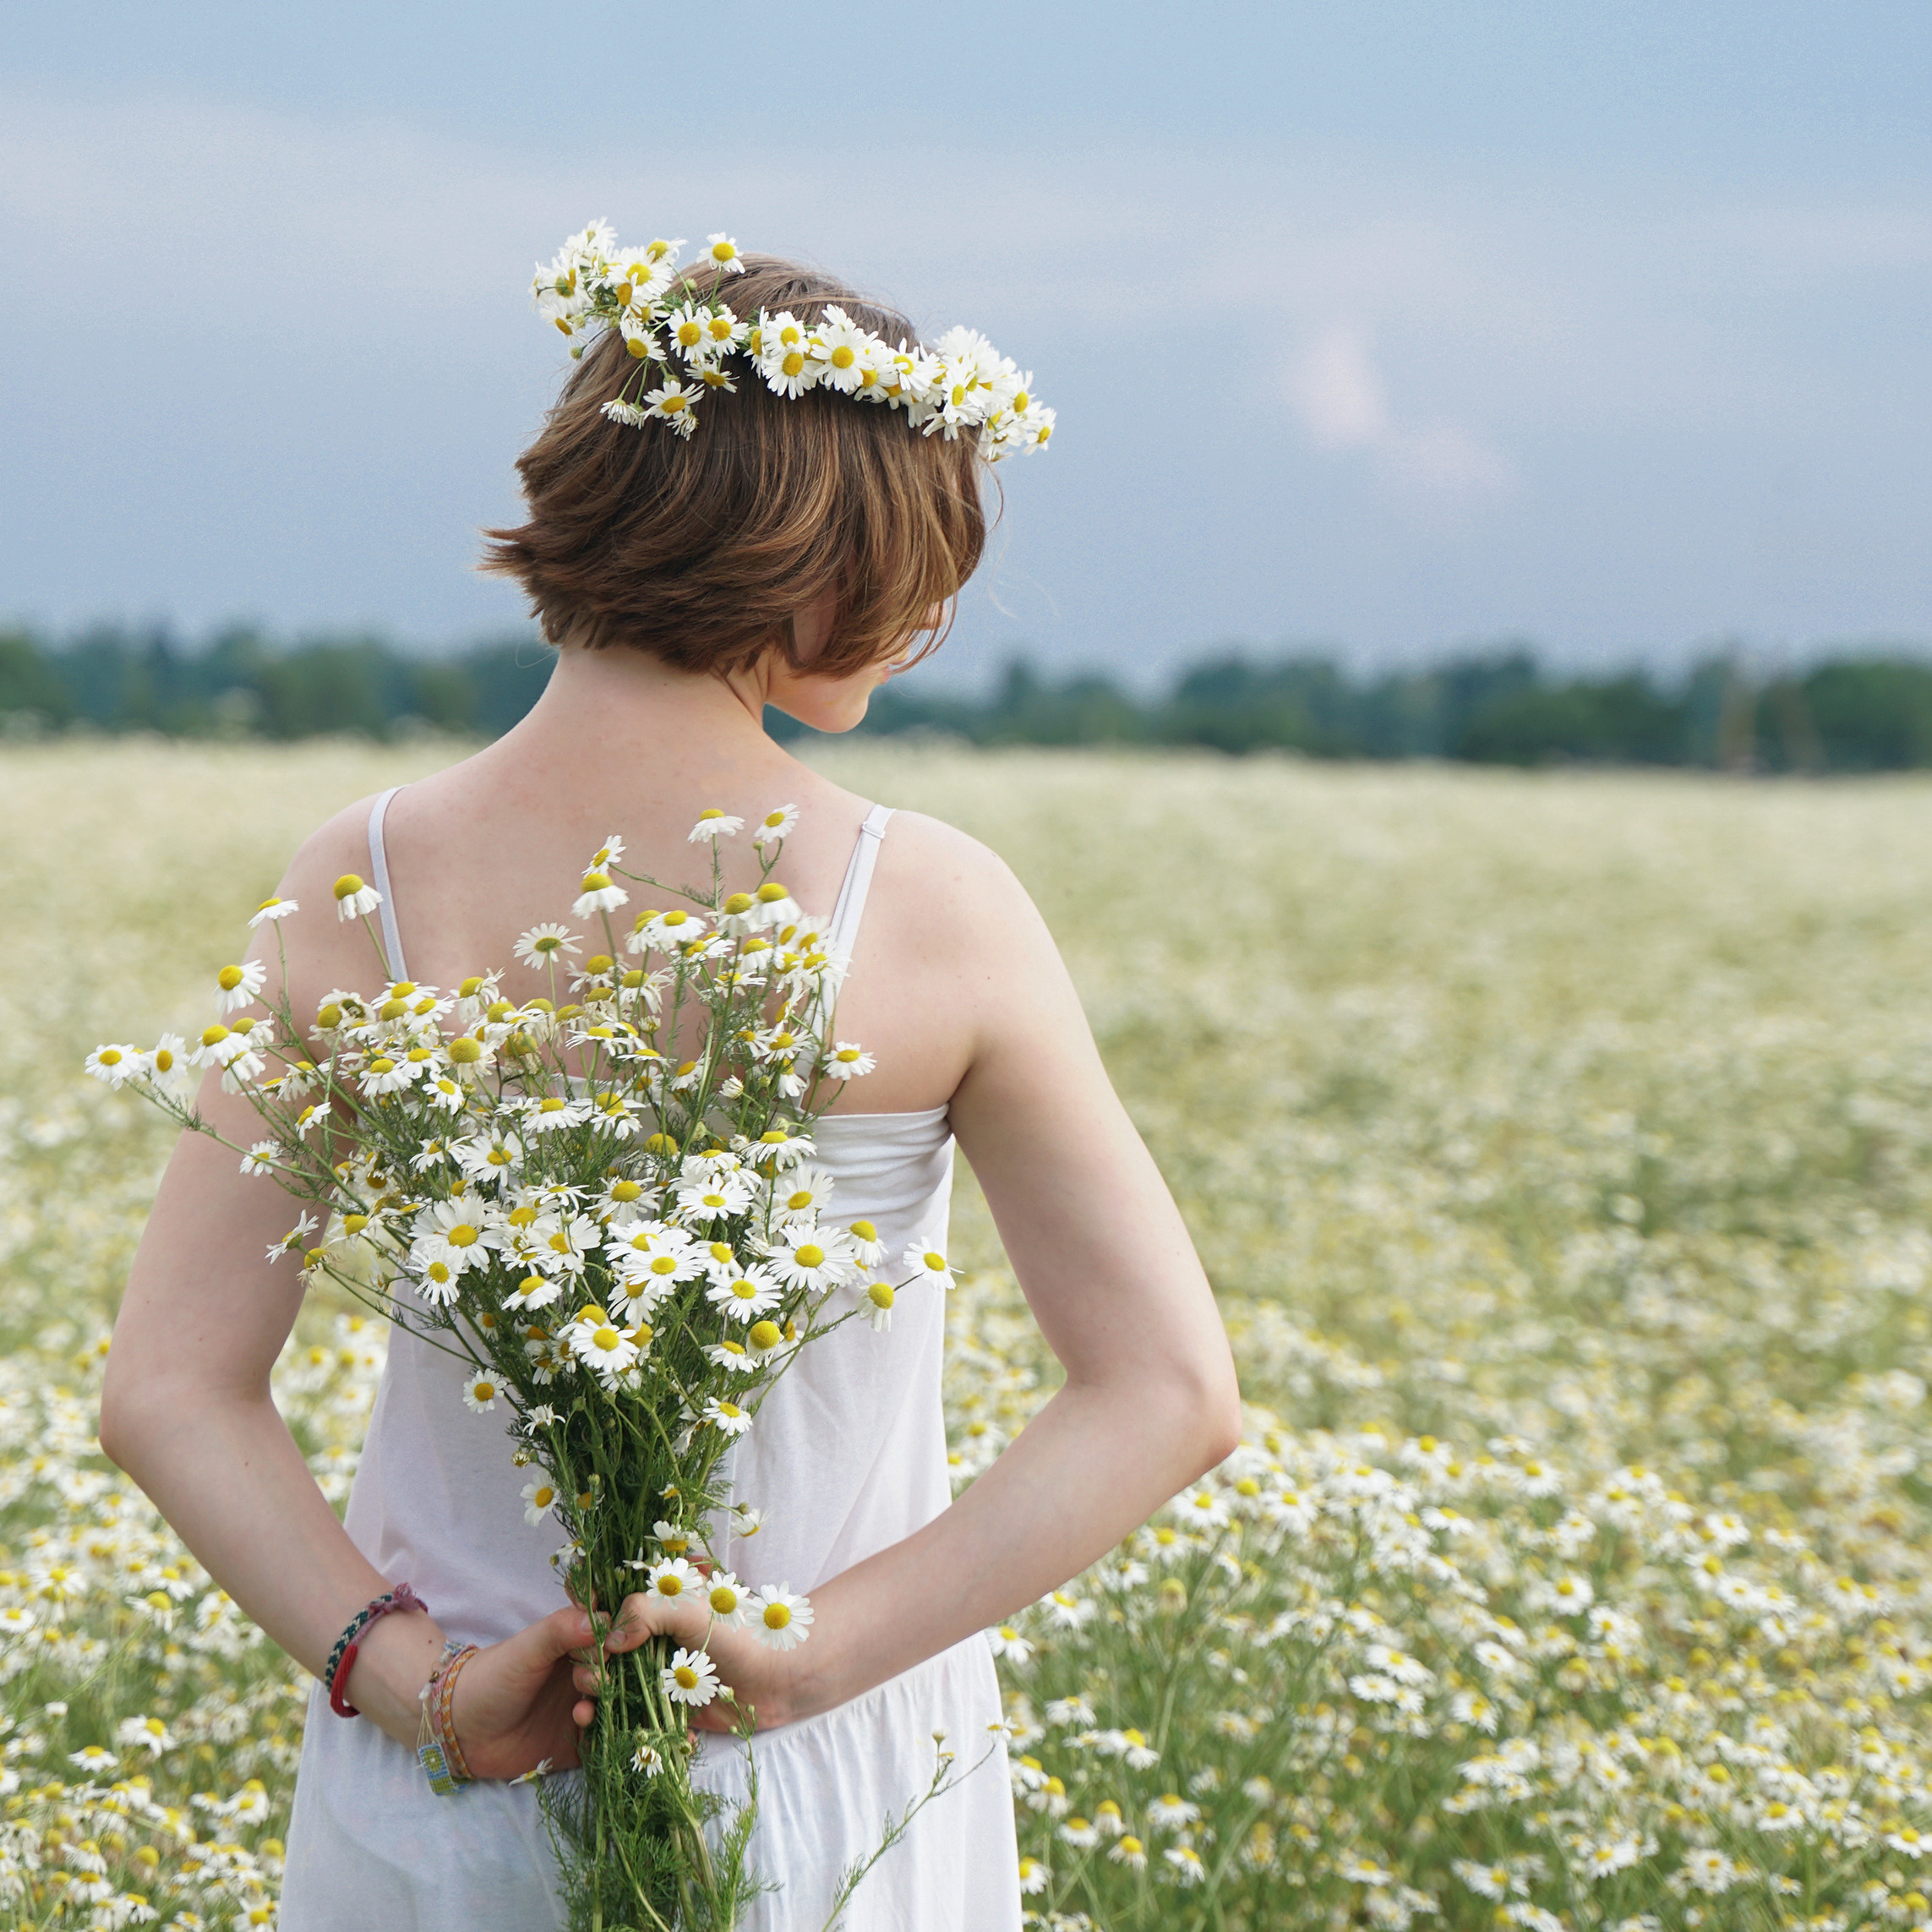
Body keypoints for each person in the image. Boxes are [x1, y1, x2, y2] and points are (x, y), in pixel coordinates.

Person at [98, 243, 1242, 1929]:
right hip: (829, 1786)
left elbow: (167, 1392)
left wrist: (411, 1680)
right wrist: (812, 1657)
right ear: (808, 571)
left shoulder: (364, 882)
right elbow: (1171, 1393)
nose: (928, 625)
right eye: (919, 569)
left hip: (448, 1783)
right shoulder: (927, 906)